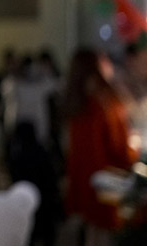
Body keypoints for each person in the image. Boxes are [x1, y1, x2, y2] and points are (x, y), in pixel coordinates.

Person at [64, 48, 137, 246]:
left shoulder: (77, 103)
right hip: (106, 178)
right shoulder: (104, 104)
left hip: (86, 180)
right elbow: (118, 146)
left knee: (92, 230)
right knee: (103, 233)